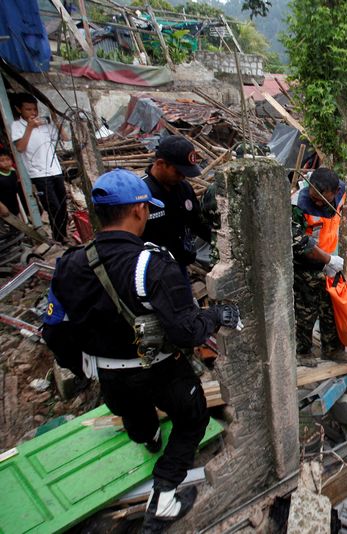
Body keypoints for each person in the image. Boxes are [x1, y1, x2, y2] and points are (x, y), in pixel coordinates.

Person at [41, 169, 240, 532]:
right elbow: (186, 331)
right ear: (137, 211)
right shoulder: (152, 264)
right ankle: (164, 493)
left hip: (110, 376)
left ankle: (149, 438)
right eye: (146, 208)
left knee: (135, 417)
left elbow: (53, 330)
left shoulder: (69, 265)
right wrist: (215, 315)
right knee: (192, 416)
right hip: (160, 370)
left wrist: (84, 369)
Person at [292, 167, 347, 364]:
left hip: (329, 260)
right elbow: (299, 243)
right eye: (313, 197)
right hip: (305, 264)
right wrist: (328, 260)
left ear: (334, 191)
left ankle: (332, 349)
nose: (316, 202)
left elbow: (339, 213)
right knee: (307, 310)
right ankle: (304, 352)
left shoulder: (341, 193)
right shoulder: (297, 206)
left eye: (321, 199)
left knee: (332, 307)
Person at [141, 136, 212, 272]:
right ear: (161, 164)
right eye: (178, 172)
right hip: (154, 272)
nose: (182, 177)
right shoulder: (141, 194)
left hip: (181, 265)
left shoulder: (184, 188)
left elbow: (198, 223)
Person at [11, 93, 69, 243]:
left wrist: (56, 122)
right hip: (39, 174)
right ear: (19, 109)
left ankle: (62, 236)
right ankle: (59, 238)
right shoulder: (17, 126)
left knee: (62, 206)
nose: (33, 113)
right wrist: (29, 128)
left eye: (34, 109)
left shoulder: (44, 124)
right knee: (53, 208)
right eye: (28, 109)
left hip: (55, 170)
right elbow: (20, 147)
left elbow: (65, 137)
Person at [0, 149, 23, 217]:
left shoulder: (13, 173)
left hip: (14, 207)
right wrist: (1, 207)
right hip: (3, 209)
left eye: (8, 159)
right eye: (2, 160)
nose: (6, 162)